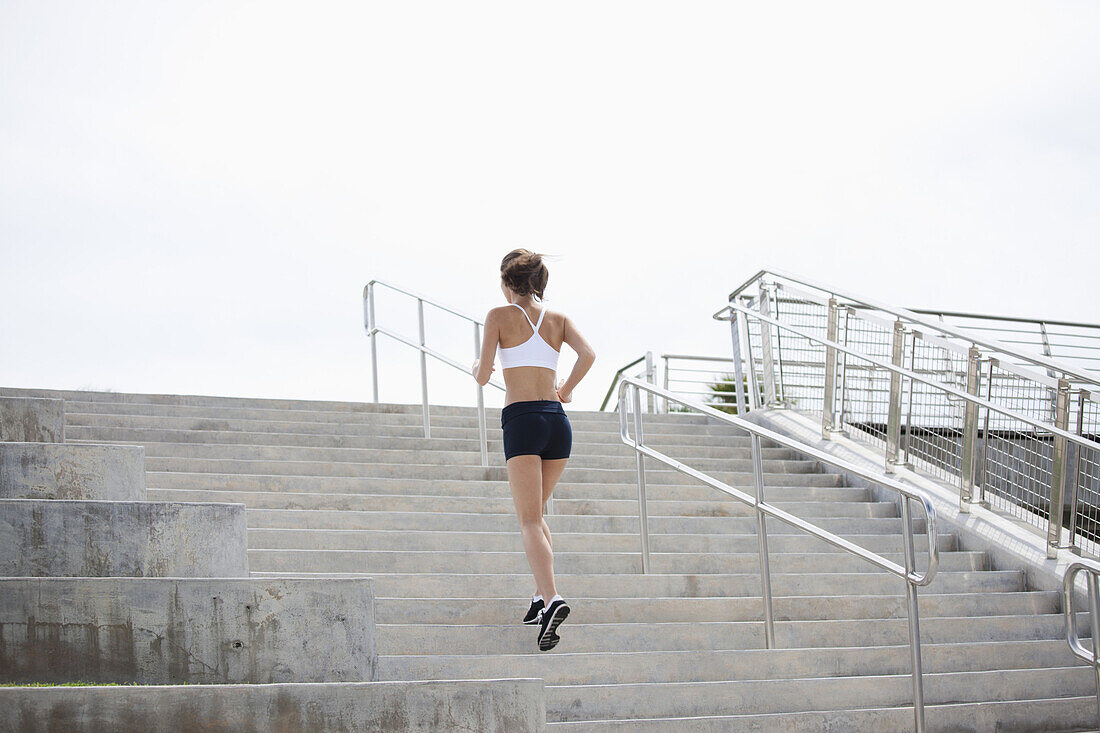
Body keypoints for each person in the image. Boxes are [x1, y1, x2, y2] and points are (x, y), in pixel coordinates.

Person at [471, 249, 595, 651]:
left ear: (508, 283)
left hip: (522, 420)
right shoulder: (558, 319)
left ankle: (552, 597)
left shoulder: (497, 317)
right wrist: (567, 389)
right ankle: (542, 596)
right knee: (537, 515)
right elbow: (589, 355)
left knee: (527, 519)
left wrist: (478, 365)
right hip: (557, 421)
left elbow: (483, 375)